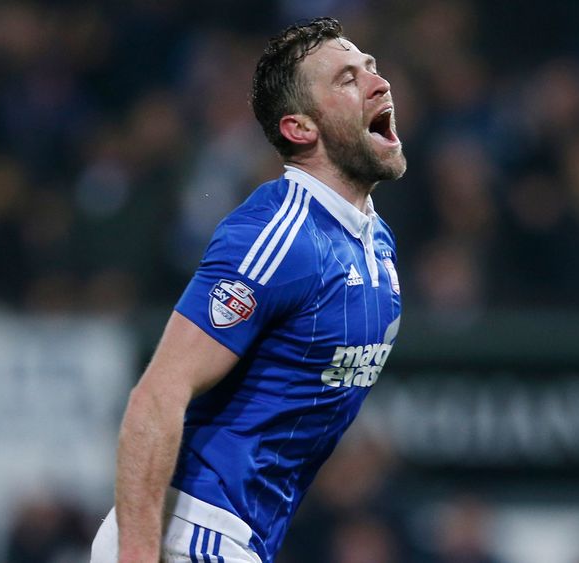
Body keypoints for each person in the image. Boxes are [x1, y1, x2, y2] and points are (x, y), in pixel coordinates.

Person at [90, 17, 406, 563]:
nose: (379, 84)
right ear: (300, 128)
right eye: (348, 79)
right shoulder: (278, 237)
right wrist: (139, 553)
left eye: (372, 69)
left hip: (241, 536)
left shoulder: (376, 240)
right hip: (189, 533)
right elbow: (156, 396)